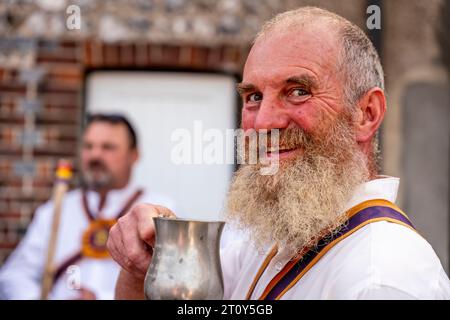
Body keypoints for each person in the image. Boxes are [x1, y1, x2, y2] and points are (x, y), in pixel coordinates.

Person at [107, 7, 450, 299]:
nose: (264, 122)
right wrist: (142, 265)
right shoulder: (270, 242)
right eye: (253, 96)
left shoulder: (382, 274)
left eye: (298, 91)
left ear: (367, 114)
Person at [0, 113, 176, 300]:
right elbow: (15, 275)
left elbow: (175, 285)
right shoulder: (55, 210)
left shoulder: (161, 211)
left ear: (134, 155)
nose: (95, 155)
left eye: (108, 147)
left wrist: (101, 297)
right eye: (88, 146)